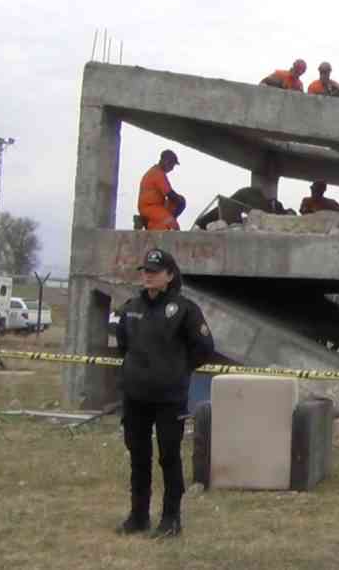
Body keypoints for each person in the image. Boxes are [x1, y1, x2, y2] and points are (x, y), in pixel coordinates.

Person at [115, 248, 215, 539]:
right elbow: (124, 343)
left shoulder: (184, 309)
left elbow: (203, 348)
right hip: (136, 396)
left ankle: (171, 519)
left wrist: (176, 369)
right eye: (145, 271)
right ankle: (138, 516)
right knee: (139, 456)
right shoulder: (132, 306)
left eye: (155, 272)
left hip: (169, 398)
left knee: (169, 457)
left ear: (169, 276)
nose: (148, 276)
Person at [137, 150, 186, 231]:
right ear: (166, 161)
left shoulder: (157, 172)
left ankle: (153, 222)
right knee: (172, 224)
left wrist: (180, 201)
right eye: (172, 165)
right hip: (149, 207)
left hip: (158, 205)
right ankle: (150, 224)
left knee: (175, 204)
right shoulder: (157, 174)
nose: (172, 168)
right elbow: (170, 194)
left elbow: (170, 195)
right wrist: (181, 202)